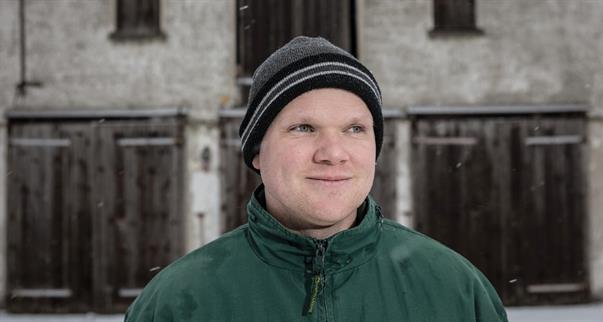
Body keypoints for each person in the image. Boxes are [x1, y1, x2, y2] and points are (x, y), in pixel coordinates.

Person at [124, 36, 508, 322]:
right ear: (257, 152)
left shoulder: (456, 291)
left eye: (355, 129)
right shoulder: (177, 303)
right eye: (304, 127)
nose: (333, 152)